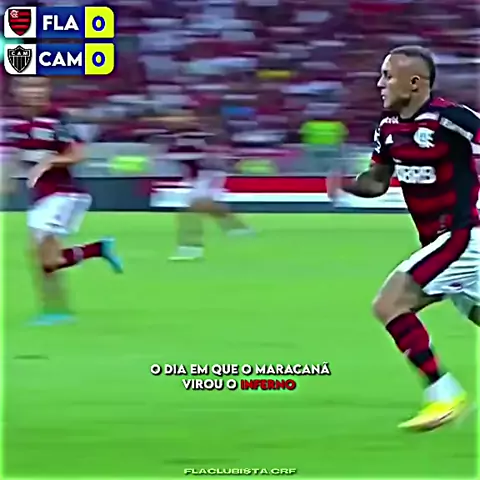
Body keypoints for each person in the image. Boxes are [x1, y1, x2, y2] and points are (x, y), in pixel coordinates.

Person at [328, 46, 479, 431]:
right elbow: (377, 182)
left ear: (414, 83)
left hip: (462, 236)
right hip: (440, 244)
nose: (380, 84)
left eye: (387, 76)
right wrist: (348, 185)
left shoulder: (450, 120)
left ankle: (444, 395)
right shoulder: (388, 129)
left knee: (390, 303)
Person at [2, 76, 123, 325]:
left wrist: (49, 162)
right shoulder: (16, 125)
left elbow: (78, 154)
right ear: (16, 91)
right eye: (27, 86)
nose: (33, 91)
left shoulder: (58, 119)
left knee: (42, 255)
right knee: (45, 258)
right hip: (42, 197)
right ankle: (96, 251)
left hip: (63, 193)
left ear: (47, 90)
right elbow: (12, 157)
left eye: (38, 86)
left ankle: (55, 310)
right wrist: (7, 181)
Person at [163, 112, 251, 261]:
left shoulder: (197, 136)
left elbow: (205, 155)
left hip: (208, 176)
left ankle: (190, 248)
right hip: (198, 178)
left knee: (191, 210)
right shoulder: (180, 138)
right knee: (203, 207)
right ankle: (239, 229)